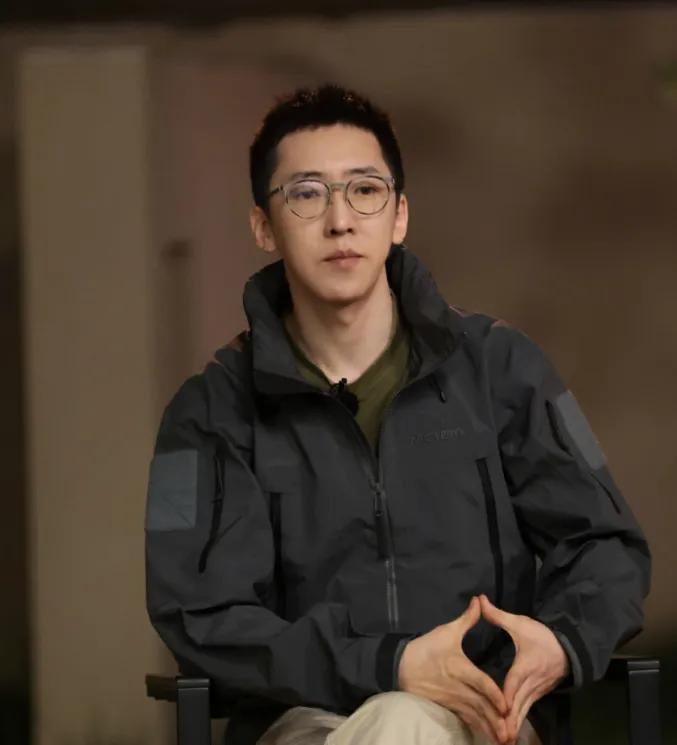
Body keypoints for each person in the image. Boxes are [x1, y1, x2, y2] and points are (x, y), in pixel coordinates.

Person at [144, 85, 651, 745]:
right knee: (399, 720)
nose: (340, 220)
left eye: (365, 189)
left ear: (399, 214)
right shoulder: (210, 412)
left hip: (489, 715)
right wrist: (388, 665)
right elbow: (197, 611)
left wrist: (563, 640)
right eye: (306, 194)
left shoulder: (501, 369)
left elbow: (604, 541)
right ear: (263, 226)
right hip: (308, 720)